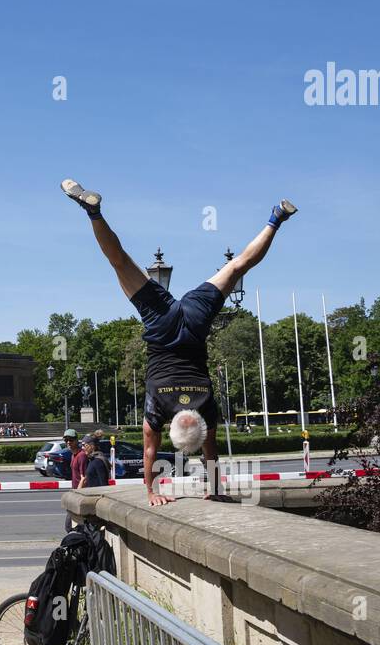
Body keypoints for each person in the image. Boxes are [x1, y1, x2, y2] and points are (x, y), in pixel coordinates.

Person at [62, 178, 295, 506]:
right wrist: (152, 492)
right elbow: (149, 451)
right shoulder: (158, 409)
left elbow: (210, 453)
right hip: (161, 325)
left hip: (195, 322)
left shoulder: (206, 409)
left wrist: (213, 486)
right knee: (120, 261)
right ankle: (93, 213)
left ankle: (276, 217)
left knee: (238, 264)